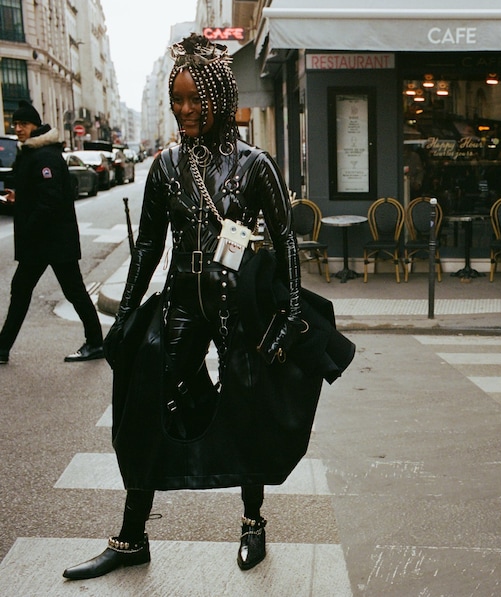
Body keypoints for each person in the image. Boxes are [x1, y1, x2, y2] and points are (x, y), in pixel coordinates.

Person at [63, 33, 317, 580]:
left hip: (237, 307)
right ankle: (132, 537)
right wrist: (125, 316)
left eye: (194, 99)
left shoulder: (256, 165)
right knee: (145, 408)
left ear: (219, 98)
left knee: (247, 409)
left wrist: (291, 314)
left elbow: (286, 241)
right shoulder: (167, 165)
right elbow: (147, 246)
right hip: (180, 302)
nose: (184, 110)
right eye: (176, 100)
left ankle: (252, 523)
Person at [0, 101, 104, 365]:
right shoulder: (33, 152)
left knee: (73, 292)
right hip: (44, 242)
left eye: (23, 124)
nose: (18, 129)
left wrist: (29, 225)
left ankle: (96, 342)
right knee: (22, 291)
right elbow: (39, 193)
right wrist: (19, 197)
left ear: (35, 126)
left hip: (52, 241)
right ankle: (2, 348)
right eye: (15, 124)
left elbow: (50, 199)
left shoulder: (45, 155)